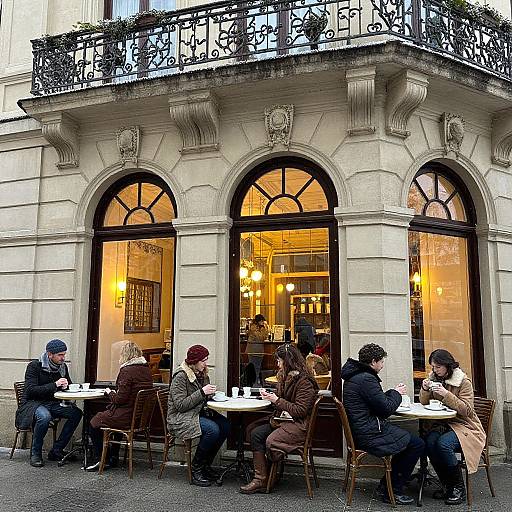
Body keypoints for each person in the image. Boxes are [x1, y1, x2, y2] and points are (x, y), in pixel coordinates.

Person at [341, 343, 424, 505]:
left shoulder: (357, 377)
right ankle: (392, 489)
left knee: (408, 443)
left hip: (363, 430)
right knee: (417, 444)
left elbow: (376, 401)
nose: (382, 365)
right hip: (370, 433)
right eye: (381, 362)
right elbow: (385, 409)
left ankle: (388, 484)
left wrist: (391, 393)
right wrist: (397, 393)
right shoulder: (366, 379)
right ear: (373, 361)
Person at [240, 343, 318, 494]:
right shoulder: (285, 377)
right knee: (255, 433)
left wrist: (276, 400)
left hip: (298, 425)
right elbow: (282, 400)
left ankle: (270, 475)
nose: (277, 364)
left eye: (279, 361)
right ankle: (261, 478)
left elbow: (300, 410)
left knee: (270, 440)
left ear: (288, 361)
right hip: (283, 420)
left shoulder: (305, 382)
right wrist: (271, 397)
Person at [419, 349, 485, 505]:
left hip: (464, 426)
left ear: (447, 366)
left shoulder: (463, 381)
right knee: (429, 442)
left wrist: (446, 395)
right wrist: (425, 388)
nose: (434, 370)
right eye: (433, 367)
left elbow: (467, 410)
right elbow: (423, 402)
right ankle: (446, 484)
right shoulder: (434, 378)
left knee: (444, 444)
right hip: (443, 424)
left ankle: (458, 488)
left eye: (437, 367)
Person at [167, 344, 230, 487]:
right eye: (203, 360)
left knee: (225, 425)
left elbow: (202, 399)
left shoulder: (202, 374)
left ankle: (206, 465)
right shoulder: (181, 376)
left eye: (206, 360)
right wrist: (202, 392)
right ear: (194, 362)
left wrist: (210, 395)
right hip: (180, 418)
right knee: (212, 430)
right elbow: (180, 405)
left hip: (196, 413)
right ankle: (196, 469)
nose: (205, 363)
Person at [86, 341, 153, 471]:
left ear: (125, 355)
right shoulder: (146, 370)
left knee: (94, 423)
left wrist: (109, 392)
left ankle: (101, 458)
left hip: (125, 415)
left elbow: (120, 399)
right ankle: (113, 457)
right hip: (137, 418)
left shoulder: (127, 371)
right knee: (110, 422)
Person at [15, 339, 83, 467]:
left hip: (52, 403)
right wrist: (55, 385)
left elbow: (67, 384)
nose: (63, 358)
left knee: (76, 413)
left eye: (64, 354)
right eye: (60, 355)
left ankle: (56, 450)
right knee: (44, 417)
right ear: (50, 354)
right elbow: (30, 390)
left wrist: (69, 387)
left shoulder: (62, 367)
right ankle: (35, 453)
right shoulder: (35, 366)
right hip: (33, 403)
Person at [246, 314, 269, 386]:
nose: (263, 322)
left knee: (257, 367)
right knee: (254, 367)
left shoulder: (259, 328)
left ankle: (254, 382)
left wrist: (265, 328)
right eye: (262, 321)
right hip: (254, 350)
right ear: (258, 321)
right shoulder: (254, 328)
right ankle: (253, 383)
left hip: (257, 350)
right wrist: (264, 328)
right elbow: (261, 337)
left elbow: (265, 336)